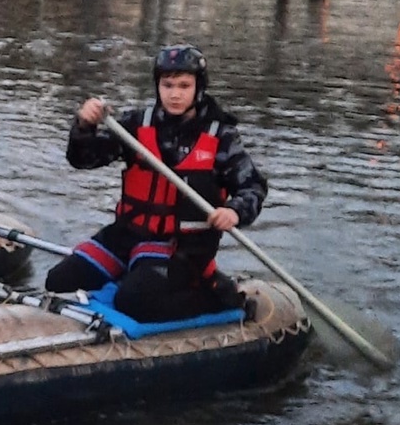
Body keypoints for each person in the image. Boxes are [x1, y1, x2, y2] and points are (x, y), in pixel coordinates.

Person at [43, 43, 268, 323]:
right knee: (58, 281)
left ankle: (220, 297)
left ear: (198, 87)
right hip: (128, 234)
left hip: (181, 246)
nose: (174, 94)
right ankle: (134, 276)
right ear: (158, 86)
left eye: (184, 85)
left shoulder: (221, 135)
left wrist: (234, 210)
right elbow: (84, 159)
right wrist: (84, 126)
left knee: (133, 302)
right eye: (167, 84)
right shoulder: (137, 124)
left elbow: (253, 186)